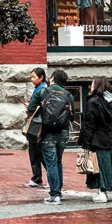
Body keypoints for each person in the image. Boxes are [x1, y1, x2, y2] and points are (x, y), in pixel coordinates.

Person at [79, 77, 112, 203]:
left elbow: (89, 124)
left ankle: (101, 192)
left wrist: (86, 143)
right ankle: (104, 191)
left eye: (92, 84)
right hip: (107, 137)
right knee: (105, 166)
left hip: (96, 139)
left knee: (97, 167)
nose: (90, 87)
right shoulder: (109, 101)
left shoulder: (93, 101)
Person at [41, 69, 74, 205]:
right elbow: (72, 116)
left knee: (51, 163)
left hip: (47, 131)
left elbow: (32, 108)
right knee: (58, 161)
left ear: (53, 78)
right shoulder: (68, 95)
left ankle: (55, 195)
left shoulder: (45, 91)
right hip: (63, 132)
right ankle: (58, 191)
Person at [22, 67, 49, 189]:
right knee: (35, 153)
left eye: (34, 77)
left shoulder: (41, 90)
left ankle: (45, 178)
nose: (32, 79)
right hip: (38, 125)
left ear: (41, 77)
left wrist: (28, 108)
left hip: (38, 126)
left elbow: (32, 109)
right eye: (31, 77)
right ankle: (36, 178)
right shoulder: (40, 89)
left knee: (39, 152)